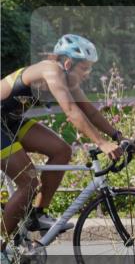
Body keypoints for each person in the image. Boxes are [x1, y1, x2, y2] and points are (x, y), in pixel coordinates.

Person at [1, 34, 126, 238]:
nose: (88, 73)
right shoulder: (50, 70)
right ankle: (1, 249)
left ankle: (37, 214)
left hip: (9, 121)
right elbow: (70, 111)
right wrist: (101, 143)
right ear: (68, 63)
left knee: (61, 150)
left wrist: (117, 136)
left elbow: (90, 111)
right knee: (29, 183)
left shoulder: (68, 78)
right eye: (84, 68)